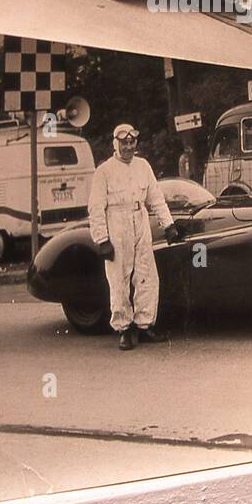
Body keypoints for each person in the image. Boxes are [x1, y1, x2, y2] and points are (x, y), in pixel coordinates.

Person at [88, 123, 181, 350]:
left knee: (147, 274)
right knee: (118, 278)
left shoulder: (143, 166)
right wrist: (102, 239)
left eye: (132, 142)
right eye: (124, 143)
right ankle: (124, 328)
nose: (129, 147)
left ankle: (144, 324)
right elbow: (96, 208)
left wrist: (168, 224)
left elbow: (156, 198)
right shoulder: (104, 171)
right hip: (117, 225)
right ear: (115, 144)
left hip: (140, 220)